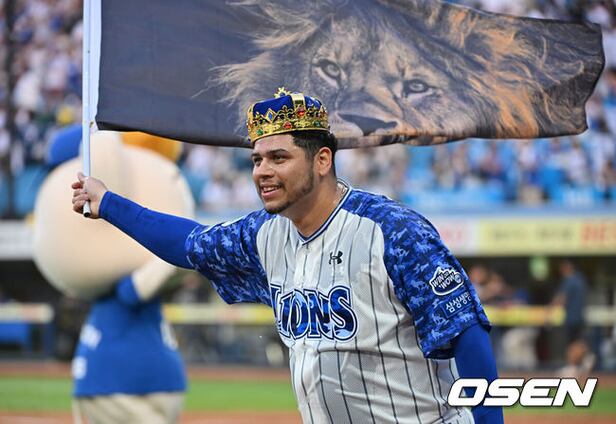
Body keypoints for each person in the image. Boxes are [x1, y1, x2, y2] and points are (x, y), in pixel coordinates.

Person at [72, 89, 502, 423]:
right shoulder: (264, 234)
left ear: (322, 160)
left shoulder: (392, 230)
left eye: (279, 157)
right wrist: (108, 203)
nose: (262, 171)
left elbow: (466, 333)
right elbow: (190, 245)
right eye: (257, 159)